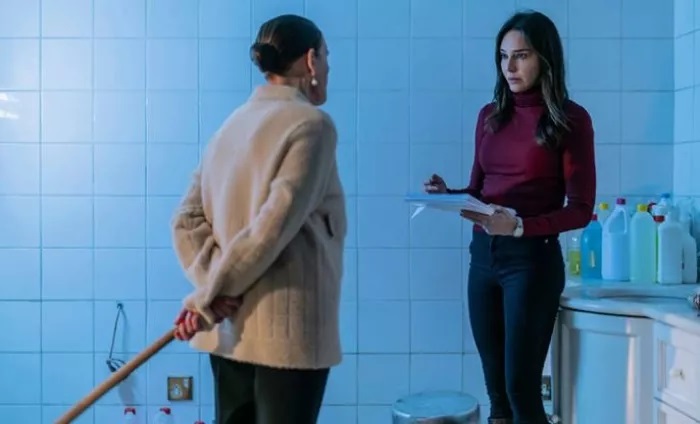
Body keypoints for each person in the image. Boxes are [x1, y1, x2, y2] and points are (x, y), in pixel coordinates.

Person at [169, 14, 346, 424]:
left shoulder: (231, 125)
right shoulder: (312, 126)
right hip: (283, 338)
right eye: (326, 56)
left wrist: (214, 292)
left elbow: (185, 221)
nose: (327, 67)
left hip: (228, 329)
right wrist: (210, 299)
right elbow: (272, 227)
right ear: (311, 60)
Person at [425, 10, 595, 424]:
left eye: (521, 56)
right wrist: (448, 196)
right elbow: (479, 192)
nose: (510, 67)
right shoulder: (490, 115)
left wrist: (519, 226)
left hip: (532, 264)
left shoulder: (571, 119)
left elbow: (580, 209)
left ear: (545, 59)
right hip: (483, 260)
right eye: (503, 57)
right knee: (497, 393)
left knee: (521, 390)